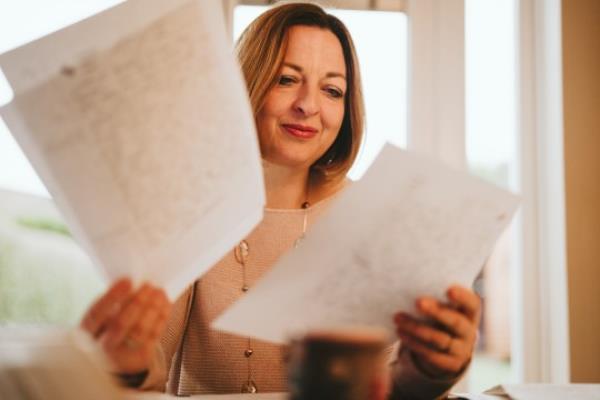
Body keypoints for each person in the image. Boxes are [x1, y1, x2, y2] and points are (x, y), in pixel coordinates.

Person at [80, 3, 481, 399]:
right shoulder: (193, 207)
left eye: (331, 90)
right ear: (246, 83)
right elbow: (151, 360)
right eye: (286, 79)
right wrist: (127, 361)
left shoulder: (374, 215)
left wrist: (431, 371)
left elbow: (391, 387)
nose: (308, 105)